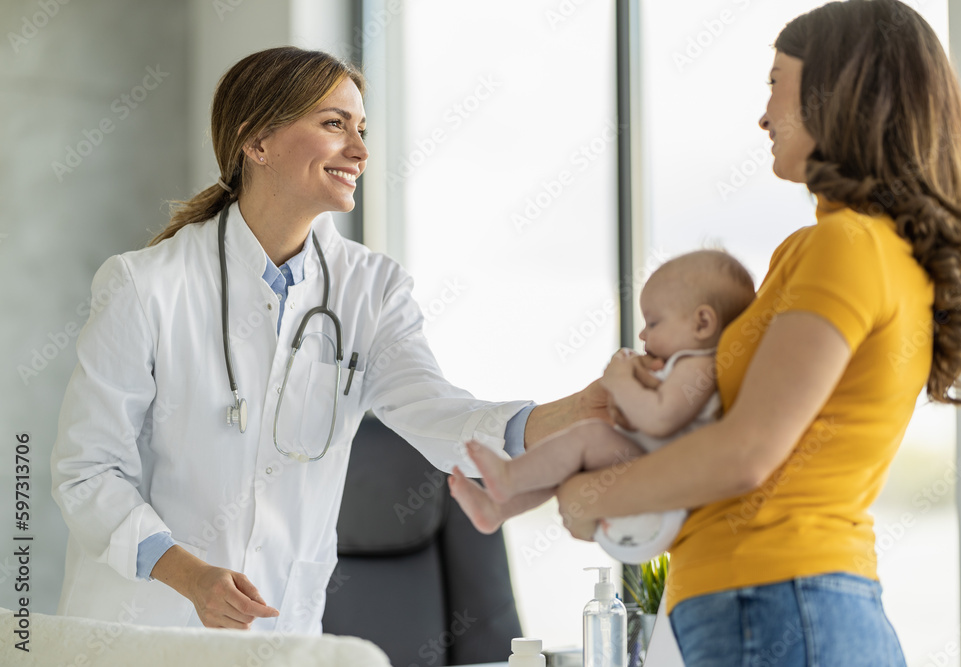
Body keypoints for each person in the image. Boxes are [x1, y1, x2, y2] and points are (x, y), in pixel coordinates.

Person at [49, 46, 608, 634]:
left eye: (362, 129)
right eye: (334, 124)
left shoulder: (372, 289)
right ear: (257, 141)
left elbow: (441, 417)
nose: (361, 151)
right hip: (144, 629)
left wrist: (578, 412)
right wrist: (192, 578)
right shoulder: (146, 286)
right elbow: (86, 473)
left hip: (279, 632)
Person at [554, 1, 961, 665]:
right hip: (780, 605)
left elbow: (747, 451)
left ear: (836, 92)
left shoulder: (847, 245)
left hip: (780, 600)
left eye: (775, 83)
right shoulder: (830, 246)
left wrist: (590, 495)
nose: (763, 115)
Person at [448, 250, 755, 564]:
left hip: (662, 487)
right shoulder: (680, 365)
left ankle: (509, 478)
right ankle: (497, 508)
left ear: (702, 323)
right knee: (568, 459)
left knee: (587, 437)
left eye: (654, 322)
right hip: (649, 468)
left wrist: (619, 378)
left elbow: (660, 418)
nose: (643, 334)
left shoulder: (698, 366)